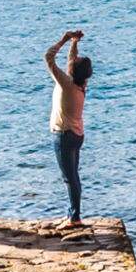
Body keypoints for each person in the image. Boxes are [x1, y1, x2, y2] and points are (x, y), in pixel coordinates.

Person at [45, 29, 93, 227]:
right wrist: (74, 43)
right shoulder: (80, 84)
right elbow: (72, 62)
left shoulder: (66, 84)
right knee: (74, 176)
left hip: (64, 135)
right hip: (76, 134)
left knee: (69, 178)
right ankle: (72, 214)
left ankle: (75, 218)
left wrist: (64, 39)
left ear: (72, 71)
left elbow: (48, 57)